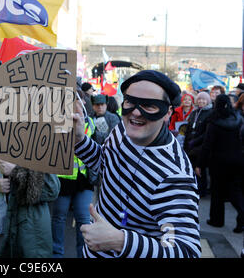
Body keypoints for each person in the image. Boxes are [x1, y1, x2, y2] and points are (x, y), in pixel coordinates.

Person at [74, 70, 201, 258]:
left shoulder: (174, 175)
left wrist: (120, 241)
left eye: (149, 106)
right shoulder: (122, 130)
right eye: (130, 102)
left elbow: (186, 250)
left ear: (167, 113)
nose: (135, 112)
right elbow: (106, 163)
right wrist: (79, 140)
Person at [51, 90, 97, 258]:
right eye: (75, 101)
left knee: (84, 219)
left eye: (81, 101)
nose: (80, 104)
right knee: (59, 219)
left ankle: (84, 254)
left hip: (84, 181)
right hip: (63, 180)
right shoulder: (57, 122)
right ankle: (57, 255)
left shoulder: (90, 123)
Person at [195, 94, 244, 233]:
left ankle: (217, 220)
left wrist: (200, 164)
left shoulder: (214, 122)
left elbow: (207, 145)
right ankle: (242, 216)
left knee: (217, 192)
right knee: (235, 191)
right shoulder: (238, 119)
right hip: (238, 160)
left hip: (218, 162)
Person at [0, 159, 60, 258]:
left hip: (33, 228)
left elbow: (52, 190)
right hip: (16, 223)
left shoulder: (38, 151)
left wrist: (15, 170)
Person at [183, 92, 213, 197]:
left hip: (201, 146)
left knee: (200, 168)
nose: (201, 101)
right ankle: (193, 188)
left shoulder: (210, 113)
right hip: (191, 145)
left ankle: (202, 190)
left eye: (204, 100)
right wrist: (186, 144)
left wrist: (195, 141)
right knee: (191, 167)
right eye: (199, 99)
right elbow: (188, 130)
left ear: (208, 101)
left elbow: (207, 133)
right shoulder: (194, 112)